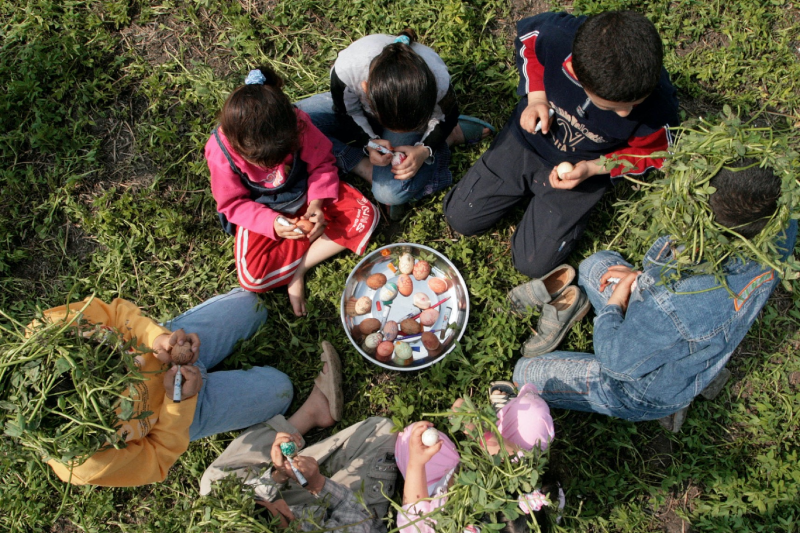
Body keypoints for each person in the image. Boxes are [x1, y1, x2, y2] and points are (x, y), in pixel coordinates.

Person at [512, 164, 798, 431]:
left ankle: (671, 401)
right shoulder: (779, 225)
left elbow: (615, 360)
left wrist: (616, 302)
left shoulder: (679, 305)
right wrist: (641, 279)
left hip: (639, 387)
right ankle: (694, 364)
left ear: (707, 221)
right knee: (593, 268)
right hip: (687, 322)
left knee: (524, 374)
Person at [443, 11, 679, 278]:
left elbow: (650, 153)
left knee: (531, 264)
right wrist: (536, 99)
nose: (626, 114)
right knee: (461, 217)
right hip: (527, 141)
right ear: (576, 72)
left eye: (633, 105)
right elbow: (529, 44)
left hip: (582, 169)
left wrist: (593, 169)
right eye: (613, 108)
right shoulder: (557, 37)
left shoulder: (659, 108)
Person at [38, 288, 325, 486]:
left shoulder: (51, 334)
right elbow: (157, 456)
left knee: (253, 304)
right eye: (120, 381)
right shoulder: (85, 462)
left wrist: (157, 339)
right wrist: (181, 402)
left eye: (117, 356)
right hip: (176, 414)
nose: (134, 366)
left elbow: (114, 314)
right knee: (280, 389)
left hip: (168, 350)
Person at [206, 66, 379, 317]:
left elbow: (321, 164)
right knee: (252, 278)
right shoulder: (220, 151)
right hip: (263, 206)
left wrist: (317, 204)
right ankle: (309, 246)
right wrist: (272, 223)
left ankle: (298, 269)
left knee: (366, 215)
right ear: (238, 146)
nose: (274, 167)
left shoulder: (298, 122)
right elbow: (232, 204)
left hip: (305, 189)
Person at [295, 30, 492, 216]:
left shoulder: (438, 79)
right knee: (293, 121)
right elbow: (347, 112)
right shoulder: (347, 71)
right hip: (354, 107)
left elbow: (446, 116)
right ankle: (363, 165)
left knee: (387, 193)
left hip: (409, 116)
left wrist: (424, 150)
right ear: (365, 90)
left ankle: (448, 138)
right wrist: (369, 142)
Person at [200, 348, 397, 533]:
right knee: (383, 431)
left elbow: (254, 499)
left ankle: (312, 413)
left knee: (214, 486)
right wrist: (319, 484)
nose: (281, 504)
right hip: (351, 520)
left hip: (302, 510)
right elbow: (361, 525)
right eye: (283, 515)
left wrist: (278, 474)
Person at [397, 384, 559, 532]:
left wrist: (416, 464)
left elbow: (412, 518)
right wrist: (480, 432)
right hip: (501, 463)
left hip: (438, 491)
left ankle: (499, 423)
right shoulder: (538, 504)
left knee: (410, 436)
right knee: (532, 413)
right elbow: (522, 462)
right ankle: (501, 417)